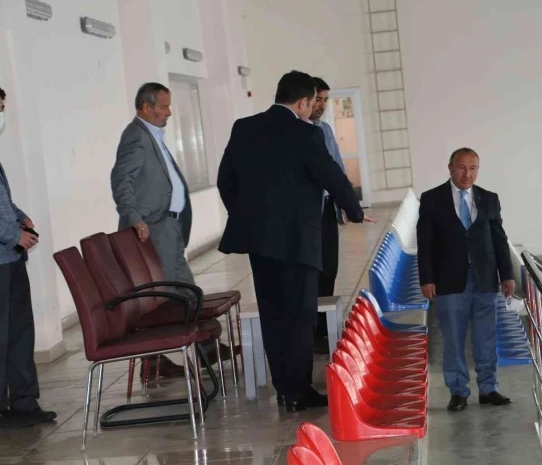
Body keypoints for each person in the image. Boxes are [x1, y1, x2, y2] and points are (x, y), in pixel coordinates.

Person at [217, 70, 373, 412]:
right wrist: (354, 211)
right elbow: (332, 176)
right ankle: (299, 391)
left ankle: (284, 388)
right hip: (298, 241)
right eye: (312, 102)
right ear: (303, 102)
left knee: (273, 313)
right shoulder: (306, 134)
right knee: (300, 316)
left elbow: (225, 180)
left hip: (259, 242)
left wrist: (246, 216)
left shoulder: (244, 128)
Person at [110, 82, 228, 378]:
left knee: (185, 290)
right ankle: (161, 360)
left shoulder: (153, 135)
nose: (169, 112)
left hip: (168, 226)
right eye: (164, 107)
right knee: (166, 295)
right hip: (152, 228)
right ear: (146, 107)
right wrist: (133, 217)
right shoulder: (136, 136)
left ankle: (204, 348)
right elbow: (121, 179)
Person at [416, 147, 514, 412]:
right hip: (448, 281)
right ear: (450, 168)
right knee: (453, 339)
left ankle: (488, 388)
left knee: (486, 338)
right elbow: (425, 242)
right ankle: (458, 391)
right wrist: (426, 278)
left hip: (485, 279)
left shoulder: (489, 199)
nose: (467, 174)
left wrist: (507, 275)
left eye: (473, 168)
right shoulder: (432, 199)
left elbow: (499, 239)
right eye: (461, 168)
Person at [0, 86, 57, 429]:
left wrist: (20, 218)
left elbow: (3, 202)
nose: (2, 114)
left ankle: (24, 402)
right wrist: (12, 235)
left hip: (11, 260)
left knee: (20, 332)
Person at [309, 77, 347, 354]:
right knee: (311, 272)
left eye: (325, 100)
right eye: (317, 99)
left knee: (329, 269)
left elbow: (337, 167)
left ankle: (324, 328)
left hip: (327, 209)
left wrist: (345, 201)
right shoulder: (297, 132)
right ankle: (310, 330)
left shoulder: (325, 130)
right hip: (307, 214)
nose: (321, 105)